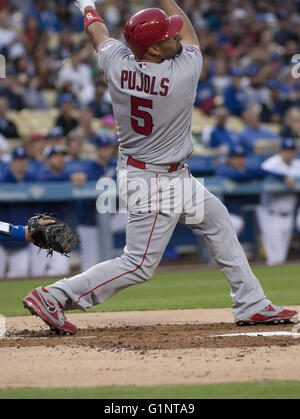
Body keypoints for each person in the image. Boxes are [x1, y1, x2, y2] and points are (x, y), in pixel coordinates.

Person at [23, 0, 298, 335]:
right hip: (155, 181)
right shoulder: (181, 72)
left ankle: (251, 302)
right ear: (153, 49)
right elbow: (191, 33)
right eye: (167, 36)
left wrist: (88, 7)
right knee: (138, 264)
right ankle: (53, 295)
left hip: (158, 173)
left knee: (216, 220)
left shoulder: (116, 62)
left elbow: (98, 34)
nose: (175, 36)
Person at [256, 138, 300, 266]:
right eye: (286, 150)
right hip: (270, 214)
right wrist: (283, 177)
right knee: (274, 258)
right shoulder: (272, 163)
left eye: (292, 151)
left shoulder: (297, 164)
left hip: (289, 214)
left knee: (281, 257)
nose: (289, 153)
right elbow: (259, 171)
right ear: (281, 151)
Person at [0, 147, 36, 277]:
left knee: (20, 275)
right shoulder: (3, 179)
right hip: (2, 239)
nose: (21, 163)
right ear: (12, 162)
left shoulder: (32, 179)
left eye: (24, 159)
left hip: (22, 239)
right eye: (18, 160)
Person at [215, 145, 266, 236]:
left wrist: (245, 174)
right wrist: (247, 175)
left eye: (242, 158)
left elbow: (263, 172)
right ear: (230, 159)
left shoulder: (245, 170)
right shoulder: (222, 169)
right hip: (217, 217)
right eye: (237, 158)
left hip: (234, 217)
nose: (240, 161)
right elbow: (237, 176)